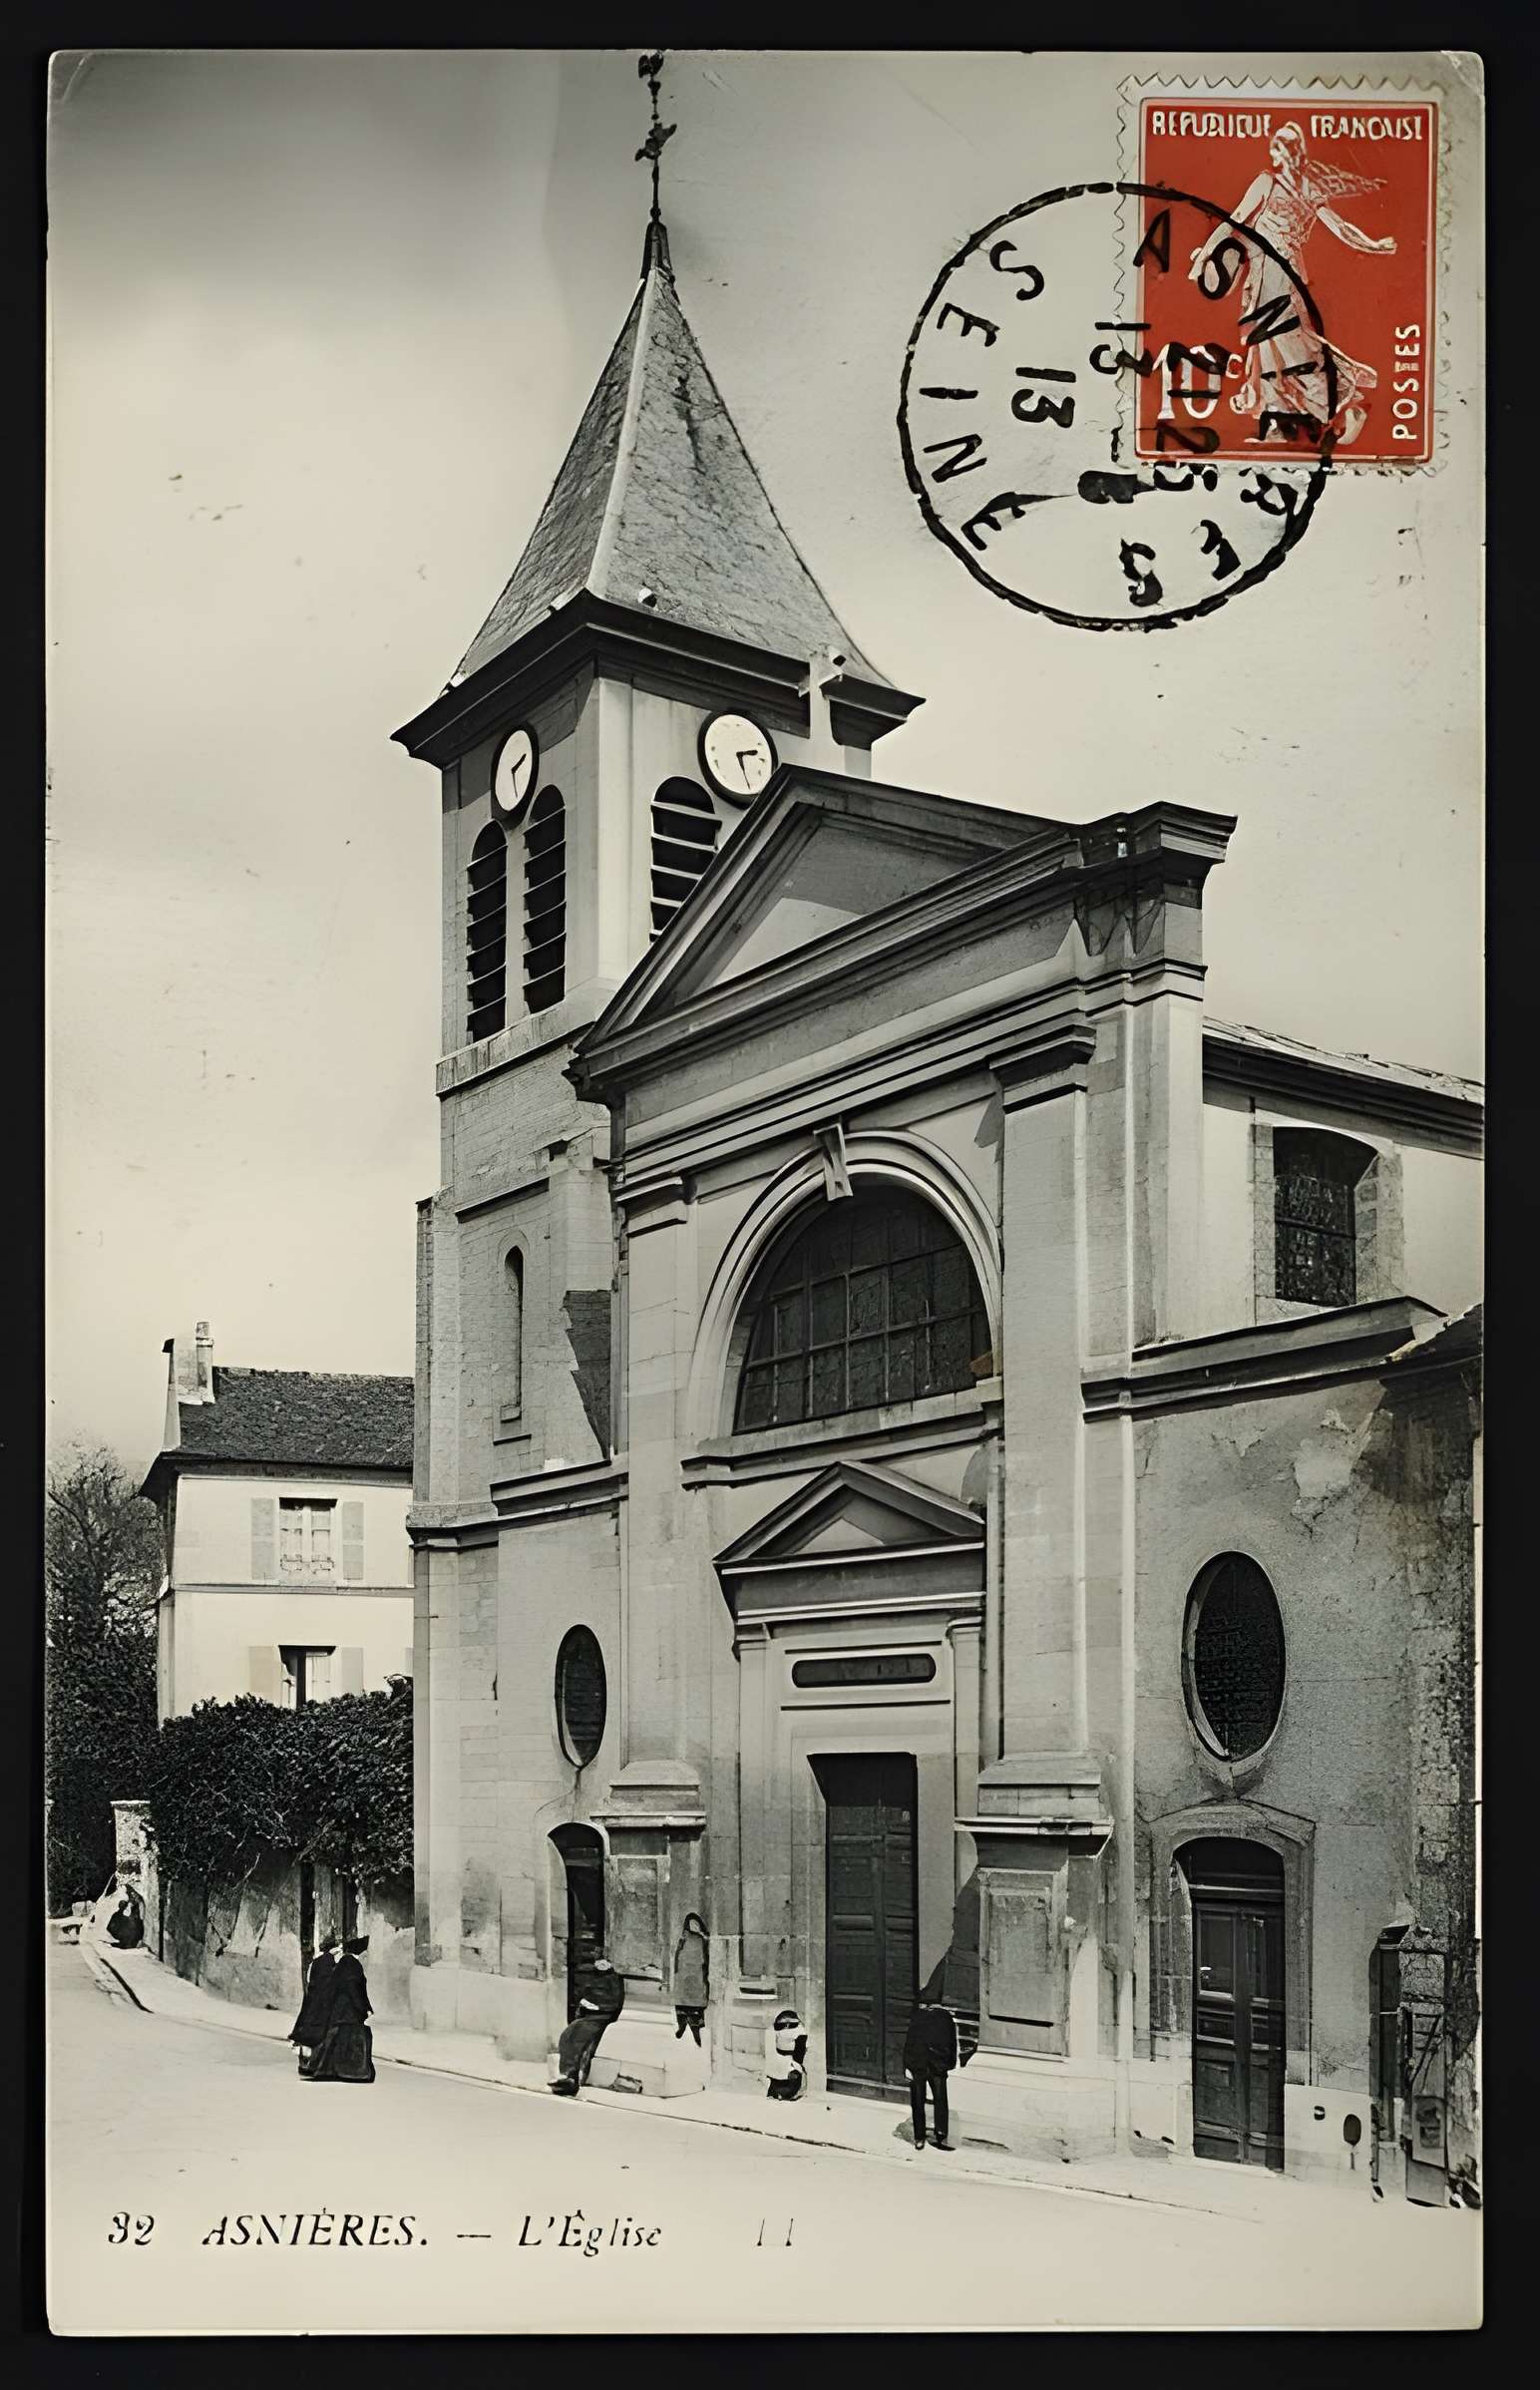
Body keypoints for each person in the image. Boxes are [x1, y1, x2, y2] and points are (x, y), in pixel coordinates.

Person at [1187, 122, 1397, 449]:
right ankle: (1279, 419)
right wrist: (1207, 254)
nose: (1287, 153)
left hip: (1283, 271)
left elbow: (1339, 227)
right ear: (1278, 152)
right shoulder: (1267, 182)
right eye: (1283, 147)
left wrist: (1372, 245)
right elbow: (1235, 219)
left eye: (1291, 147)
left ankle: (1342, 400)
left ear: (1295, 152)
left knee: (1285, 339)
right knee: (1267, 341)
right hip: (1265, 267)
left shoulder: (1303, 188)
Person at [301, 1935, 376, 2084]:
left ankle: (329, 2067)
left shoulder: (345, 1962)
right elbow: (353, 1988)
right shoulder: (351, 1964)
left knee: (336, 2038)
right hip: (347, 2009)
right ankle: (350, 2070)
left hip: (342, 2008)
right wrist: (362, 2008)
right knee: (346, 2038)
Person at [552, 1952, 624, 2096]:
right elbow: (583, 1994)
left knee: (580, 2038)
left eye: (605, 1961)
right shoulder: (592, 1978)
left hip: (601, 2016)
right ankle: (566, 2074)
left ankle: (572, 2077)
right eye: (599, 1962)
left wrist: (597, 2007)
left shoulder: (614, 1980)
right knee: (567, 2035)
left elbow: (615, 2003)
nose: (601, 1964)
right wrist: (585, 2003)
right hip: (588, 2015)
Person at [904, 1992, 959, 2150]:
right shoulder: (931, 2017)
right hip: (923, 2066)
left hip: (929, 2066)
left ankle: (925, 2137)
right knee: (935, 2100)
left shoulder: (942, 2018)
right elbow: (952, 2043)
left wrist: (907, 2065)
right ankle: (934, 2135)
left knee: (922, 2101)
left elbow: (909, 2041)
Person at [288, 1932, 340, 2072]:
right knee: (318, 2033)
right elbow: (331, 1984)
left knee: (307, 2030)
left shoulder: (317, 1962)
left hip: (312, 2000)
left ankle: (304, 2062)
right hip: (323, 2002)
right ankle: (312, 2063)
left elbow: (312, 1980)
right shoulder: (331, 1963)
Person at [672, 1912, 709, 2045]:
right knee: (682, 2003)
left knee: (695, 2004)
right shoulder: (684, 1937)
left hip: (696, 1973)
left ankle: (695, 2029)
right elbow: (678, 1955)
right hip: (684, 1973)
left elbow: (704, 1956)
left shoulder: (702, 1939)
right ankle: (682, 2025)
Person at [764, 2008, 807, 2101]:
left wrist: (796, 2062)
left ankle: (782, 2094)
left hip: (788, 2059)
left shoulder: (799, 2030)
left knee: (790, 2075)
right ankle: (780, 2094)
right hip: (782, 2058)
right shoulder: (774, 2030)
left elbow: (800, 2048)